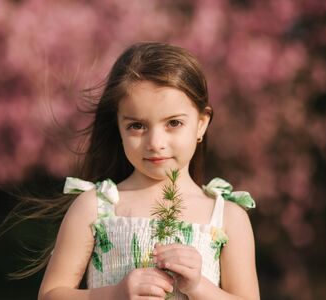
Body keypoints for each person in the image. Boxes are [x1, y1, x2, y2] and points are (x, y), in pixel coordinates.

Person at [37, 42, 260, 300]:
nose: (155, 143)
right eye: (137, 126)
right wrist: (115, 294)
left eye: (173, 123)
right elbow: (51, 295)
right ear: (118, 126)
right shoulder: (94, 207)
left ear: (201, 124)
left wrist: (199, 287)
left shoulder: (227, 217)